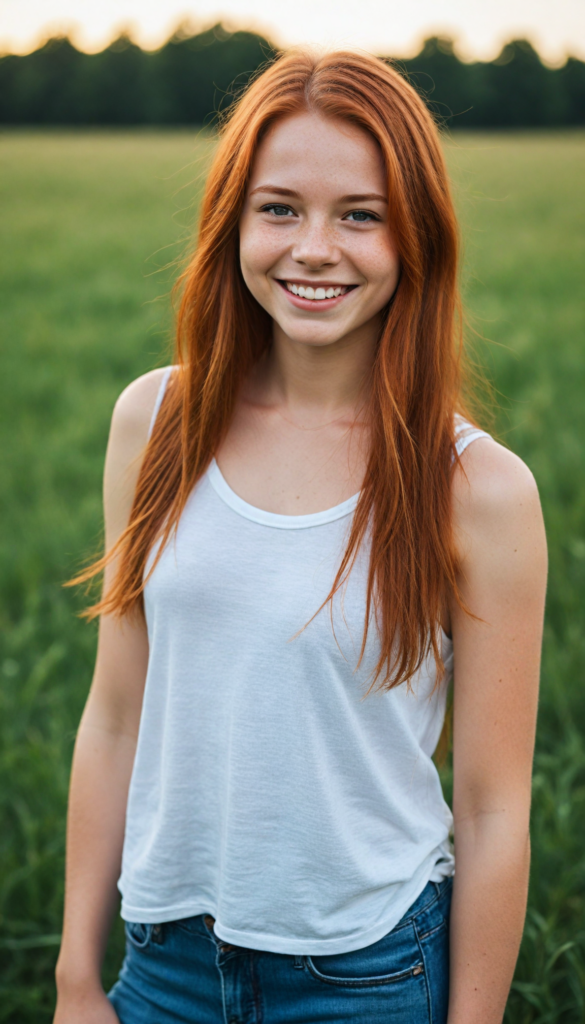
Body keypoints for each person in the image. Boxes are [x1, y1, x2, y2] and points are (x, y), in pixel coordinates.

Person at [53, 49, 547, 1024]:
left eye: (359, 215)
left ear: (416, 238)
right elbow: (115, 713)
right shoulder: (155, 422)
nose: (313, 248)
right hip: (164, 965)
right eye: (280, 208)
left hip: (365, 977)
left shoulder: (479, 487)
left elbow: (494, 812)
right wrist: (76, 974)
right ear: (232, 221)